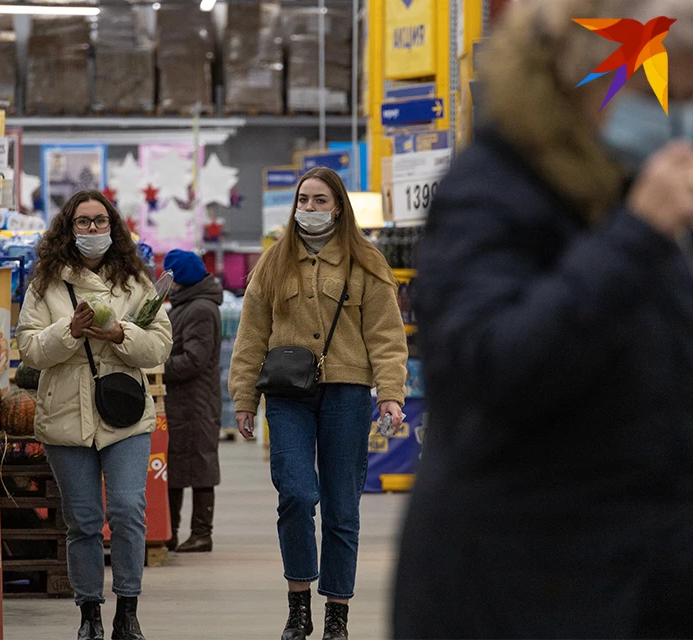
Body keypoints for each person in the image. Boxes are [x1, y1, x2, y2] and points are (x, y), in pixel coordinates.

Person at [392, 0, 693, 637]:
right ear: (577, 74)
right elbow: (493, 365)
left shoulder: (625, 188)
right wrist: (635, 237)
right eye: (654, 82)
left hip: (635, 578)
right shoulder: (493, 191)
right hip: (522, 589)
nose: (672, 108)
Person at [229, 167, 409, 640]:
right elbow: (250, 337)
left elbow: (387, 337)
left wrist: (390, 394)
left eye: (319, 200)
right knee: (296, 493)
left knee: (341, 506)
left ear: (338, 206)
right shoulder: (273, 263)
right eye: (303, 200)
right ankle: (297, 605)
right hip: (288, 395)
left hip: (348, 393)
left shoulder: (366, 262)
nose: (308, 209)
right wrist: (243, 398)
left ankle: (336, 613)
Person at [16, 190, 173, 640]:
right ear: (68, 230)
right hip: (65, 417)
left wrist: (121, 332)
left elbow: (160, 345)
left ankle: (128, 609)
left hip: (125, 414)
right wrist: (71, 330)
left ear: (113, 227)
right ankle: (89, 613)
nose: (91, 230)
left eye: (99, 222)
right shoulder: (45, 285)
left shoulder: (135, 282)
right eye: (82, 222)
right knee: (82, 520)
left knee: (127, 510)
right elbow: (29, 349)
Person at [161, 249, 224, 553]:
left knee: (200, 465)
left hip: (196, 401)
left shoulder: (199, 309)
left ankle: (202, 533)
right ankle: (169, 531)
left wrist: (159, 367)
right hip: (183, 400)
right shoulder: (187, 306)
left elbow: (195, 360)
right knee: (176, 465)